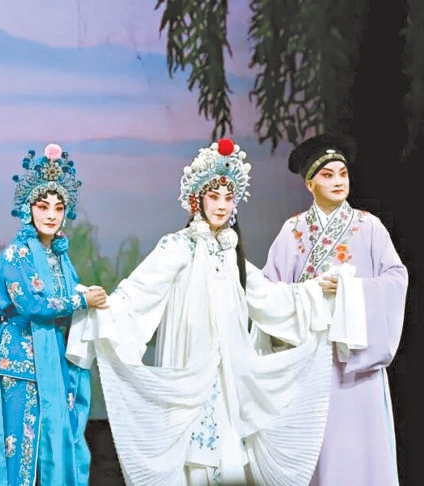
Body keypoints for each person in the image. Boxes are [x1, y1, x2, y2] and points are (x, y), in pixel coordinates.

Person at [65, 138, 356, 486]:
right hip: (191, 366)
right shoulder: (178, 246)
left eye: (228, 198)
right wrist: (105, 306)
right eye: (214, 197)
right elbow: (138, 292)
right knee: (195, 455)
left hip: (228, 372)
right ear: (197, 199)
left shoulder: (231, 252)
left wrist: (312, 293)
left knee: (228, 455)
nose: (221, 205)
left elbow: (270, 297)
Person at [259, 131, 409, 486]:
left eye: (343, 173)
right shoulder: (293, 231)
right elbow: (267, 291)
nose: (339, 181)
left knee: (361, 451)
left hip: (357, 358)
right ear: (309, 183)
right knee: (318, 450)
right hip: (312, 356)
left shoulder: (369, 226)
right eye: (327, 175)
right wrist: (307, 293)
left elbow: (396, 277)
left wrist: (350, 291)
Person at [0, 143, 109, 486]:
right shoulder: (15, 256)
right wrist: (81, 300)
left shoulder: (60, 258)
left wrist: (88, 300)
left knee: (56, 452)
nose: (51, 215)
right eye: (42, 206)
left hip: (53, 366)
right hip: (19, 368)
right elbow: (34, 305)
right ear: (27, 208)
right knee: (21, 458)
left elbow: (63, 300)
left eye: (59, 208)